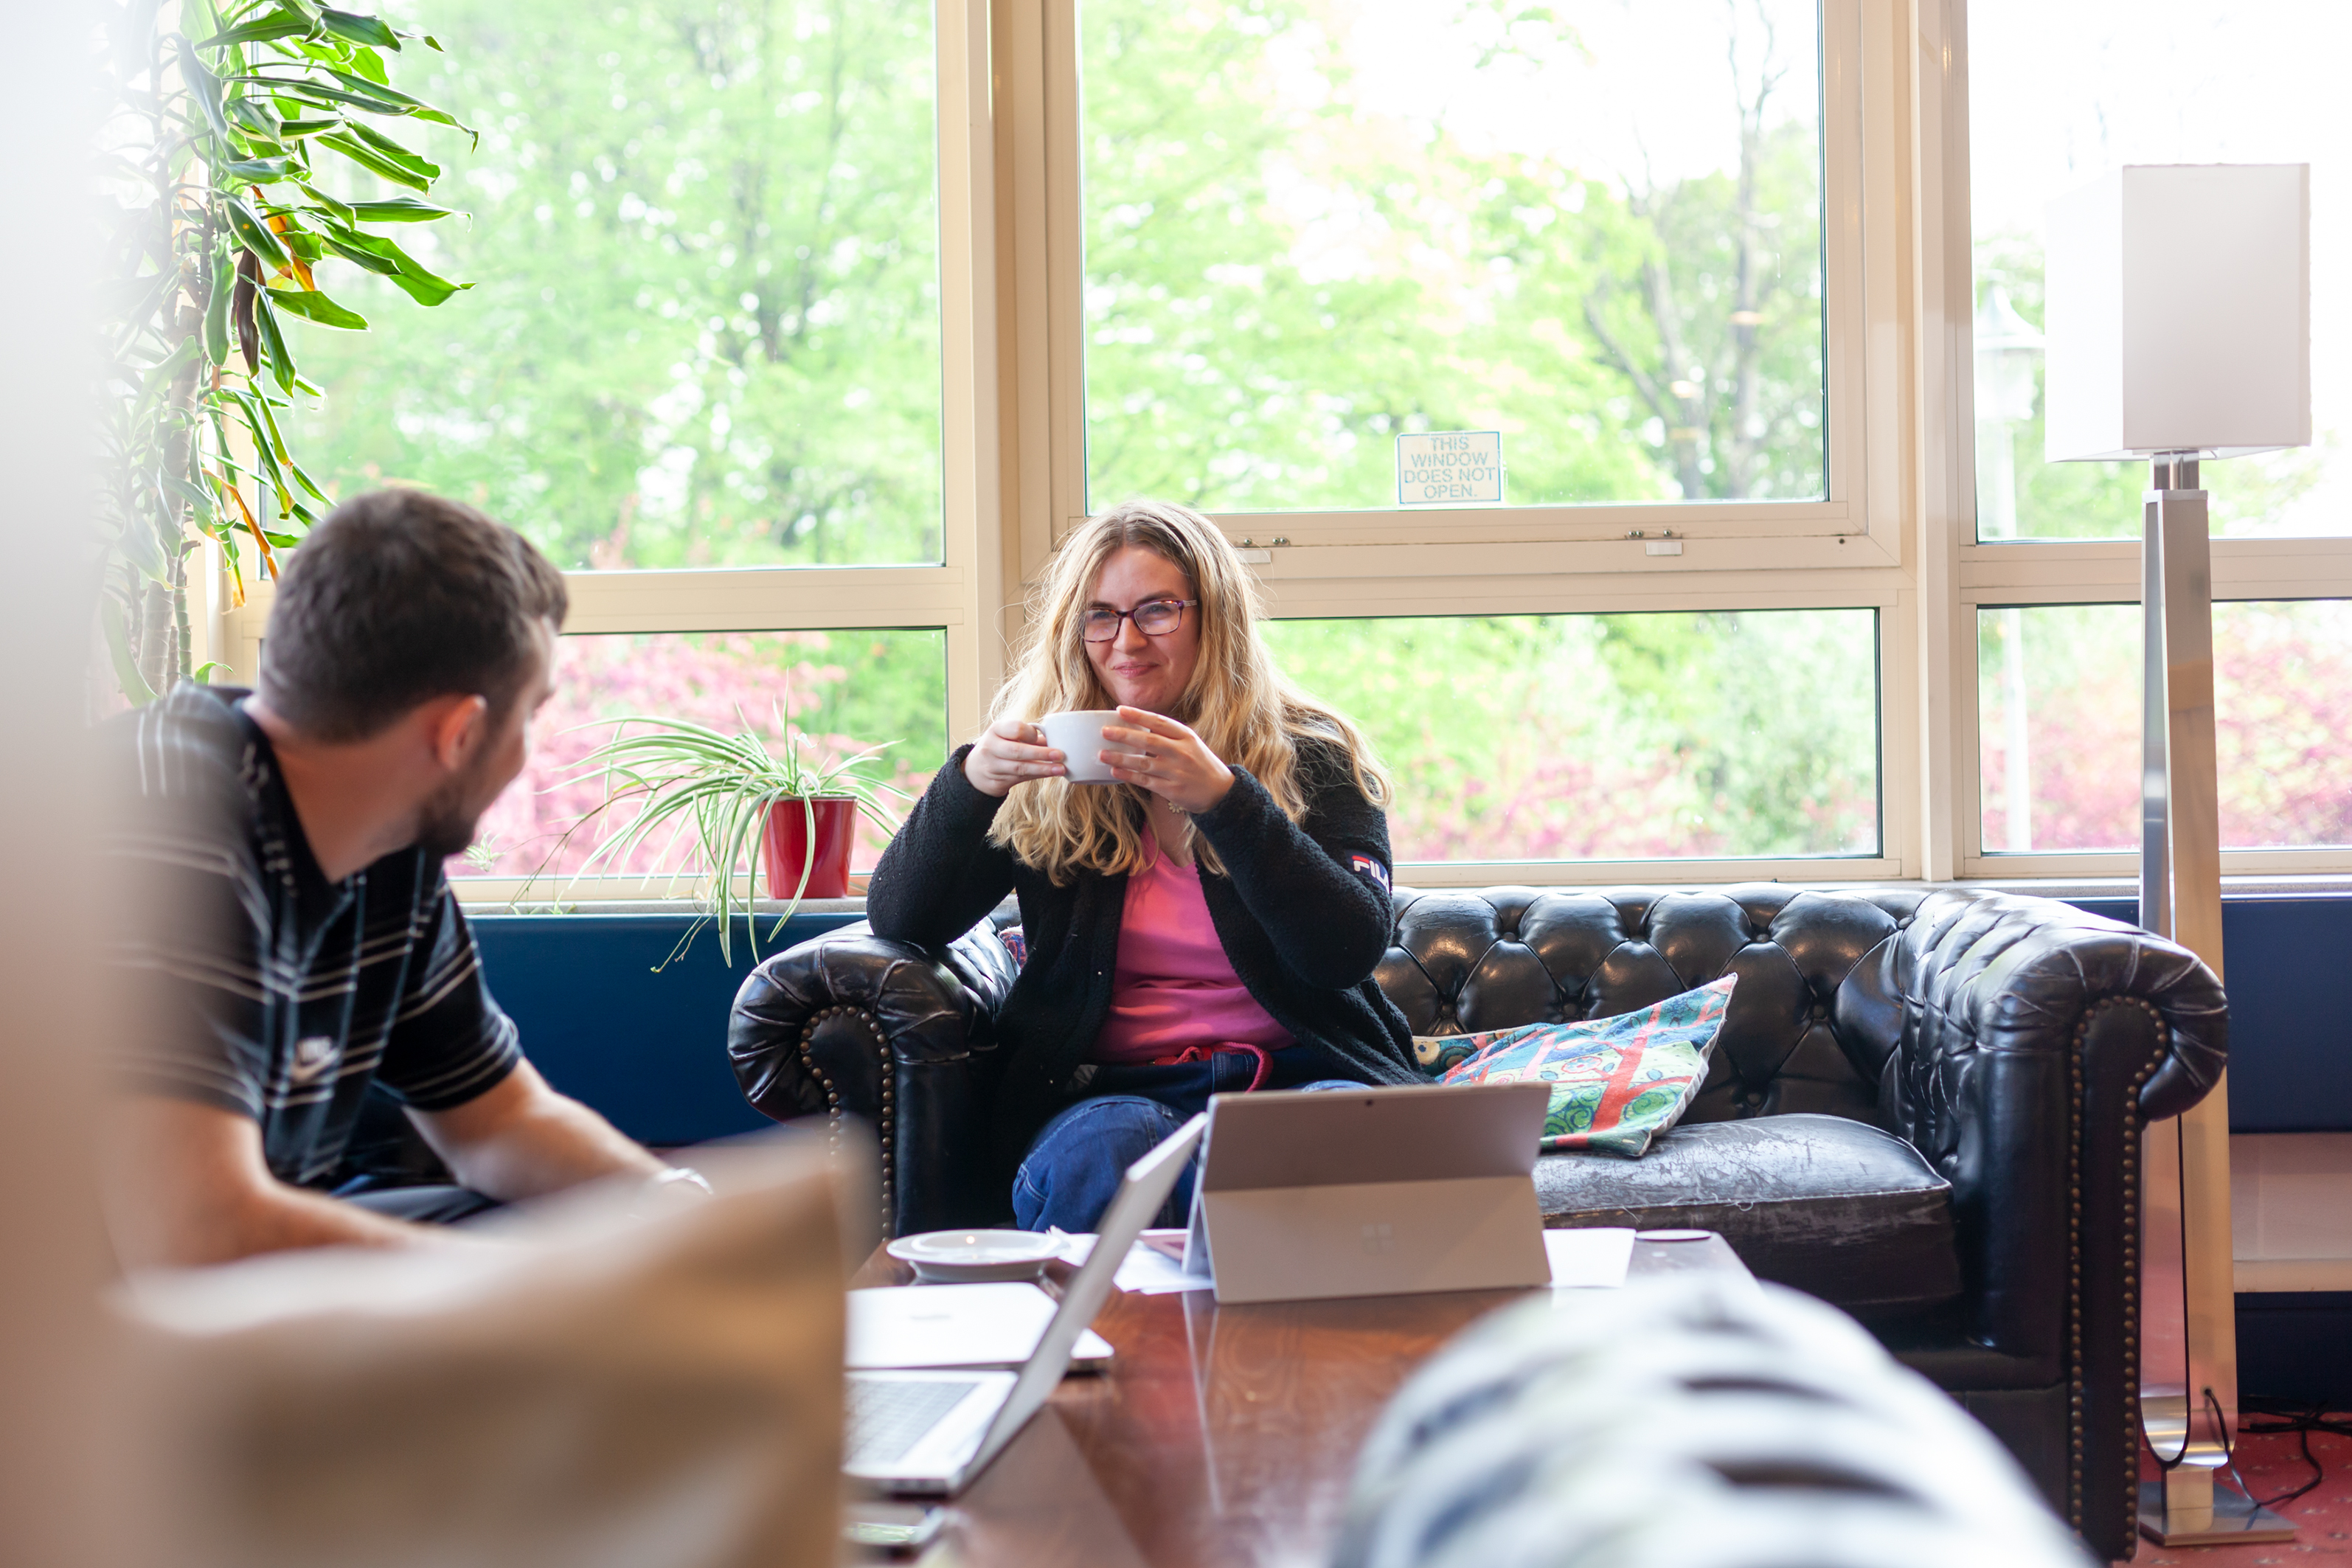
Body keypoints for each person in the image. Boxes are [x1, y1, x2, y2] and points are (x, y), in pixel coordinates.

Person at [100, 490, 698, 1269]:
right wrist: (538, 1292)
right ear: (457, 731)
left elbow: (499, 1118)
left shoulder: (384, 843)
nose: (524, 752)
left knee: (584, 1231)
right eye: (530, 715)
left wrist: (682, 1213)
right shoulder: (162, 823)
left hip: (207, 1264)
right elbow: (196, 1229)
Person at [867, 499, 1422, 1232]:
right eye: (1100, 615)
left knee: (1329, 1139)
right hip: (1110, 1091)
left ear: (1213, 616)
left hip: (1300, 1072)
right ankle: (1112, 1347)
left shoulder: (1313, 755)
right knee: (1110, 1151)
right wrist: (971, 783)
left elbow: (1345, 949)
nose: (1125, 641)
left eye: (1156, 610)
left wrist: (1225, 800)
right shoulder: (1055, 765)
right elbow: (904, 917)